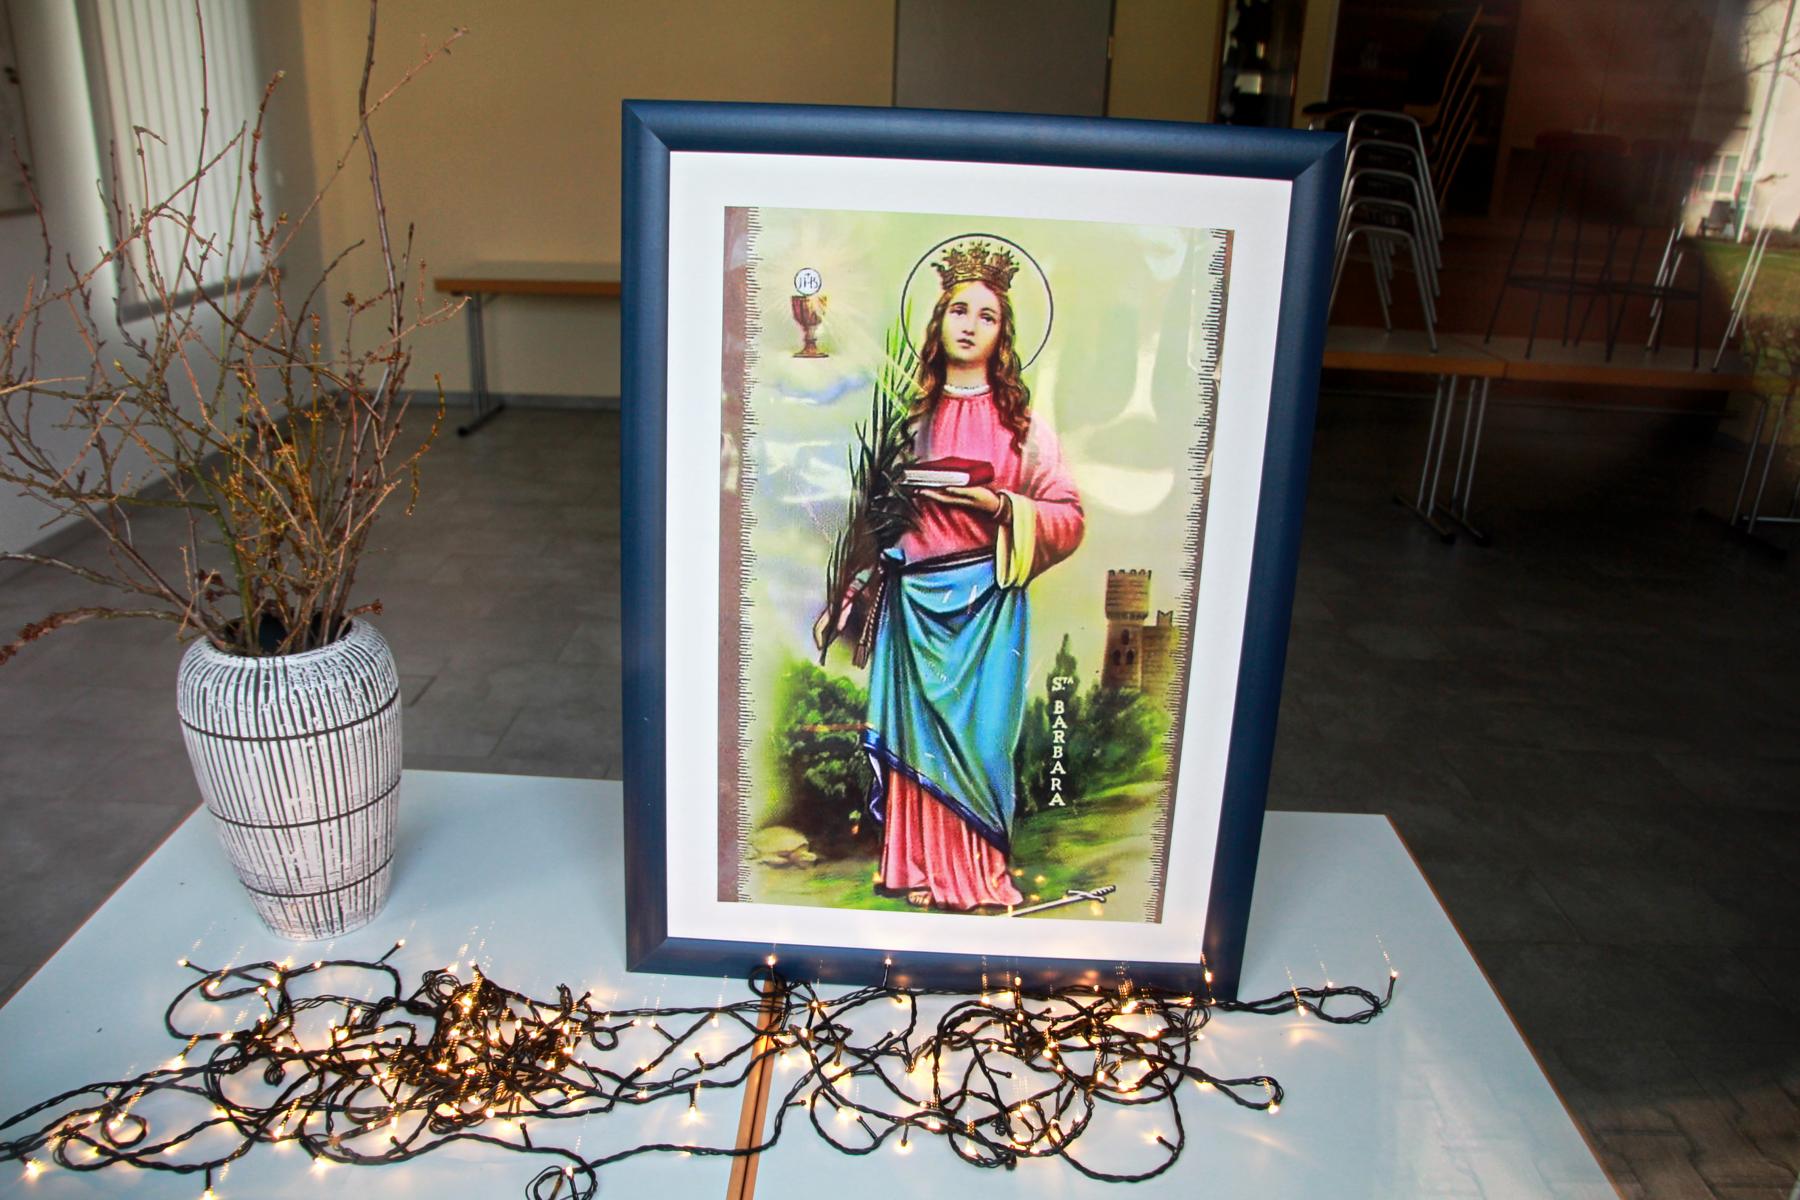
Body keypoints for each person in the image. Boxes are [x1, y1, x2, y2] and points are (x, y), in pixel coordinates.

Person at [814, 241, 1084, 911]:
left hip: (988, 607)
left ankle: (980, 876)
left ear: (1003, 333)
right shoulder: (908, 419)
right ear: (937, 322)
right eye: (959, 310)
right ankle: (918, 870)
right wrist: (847, 595)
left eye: (987, 316)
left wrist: (997, 505)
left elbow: (1069, 516)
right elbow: (875, 526)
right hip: (913, 606)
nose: (970, 325)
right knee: (919, 744)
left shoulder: (1024, 427)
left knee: (983, 746)